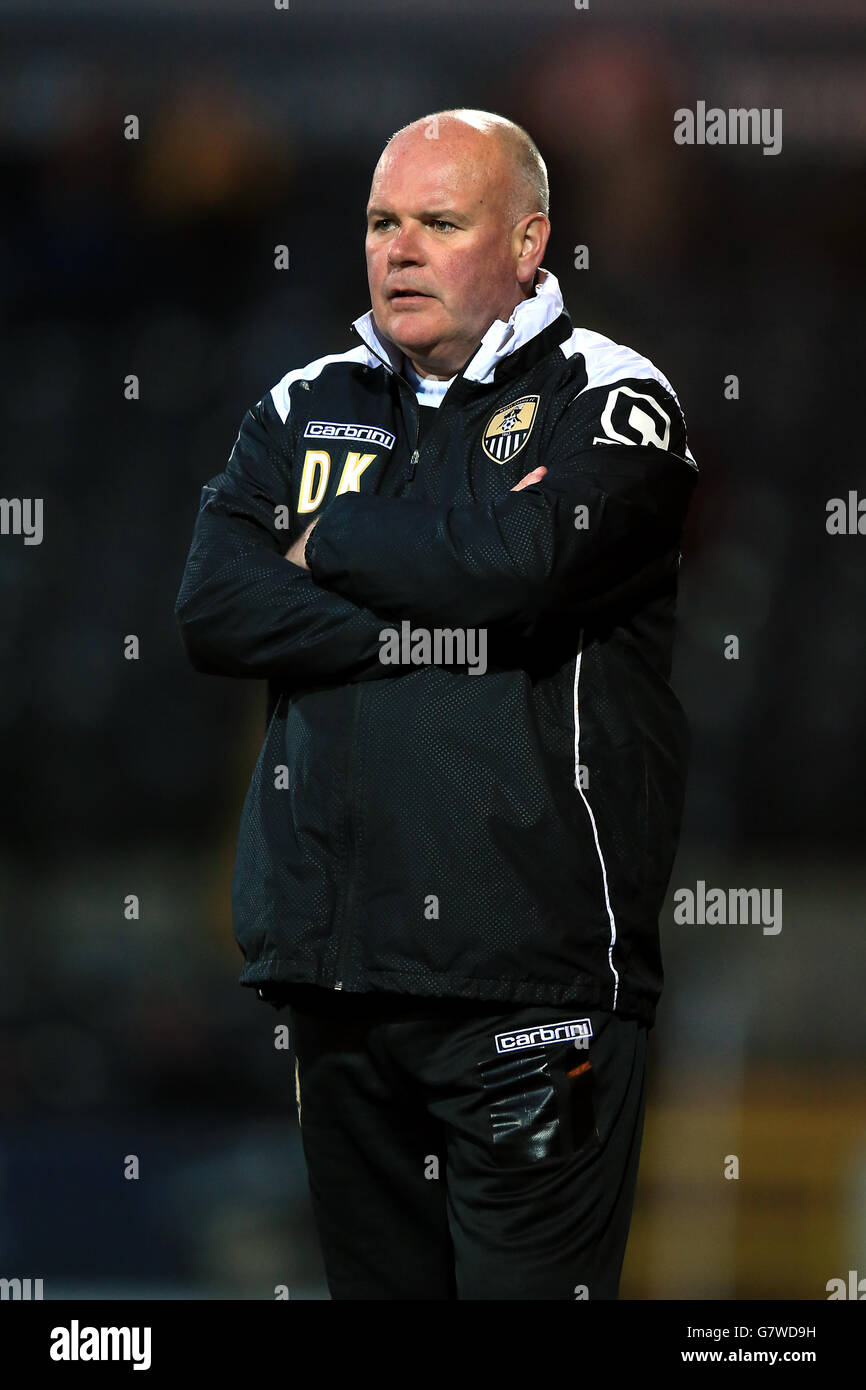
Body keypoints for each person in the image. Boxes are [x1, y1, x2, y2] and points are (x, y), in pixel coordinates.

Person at [174, 108, 698, 1300]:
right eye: (380, 221)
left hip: (529, 980)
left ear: (527, 243)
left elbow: (524, 563)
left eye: (439, 222)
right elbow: (214, 606)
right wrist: (431, 615)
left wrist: (333, 538)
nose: (398, 249)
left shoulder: (610, 395)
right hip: (339, 978)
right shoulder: (305, 401)